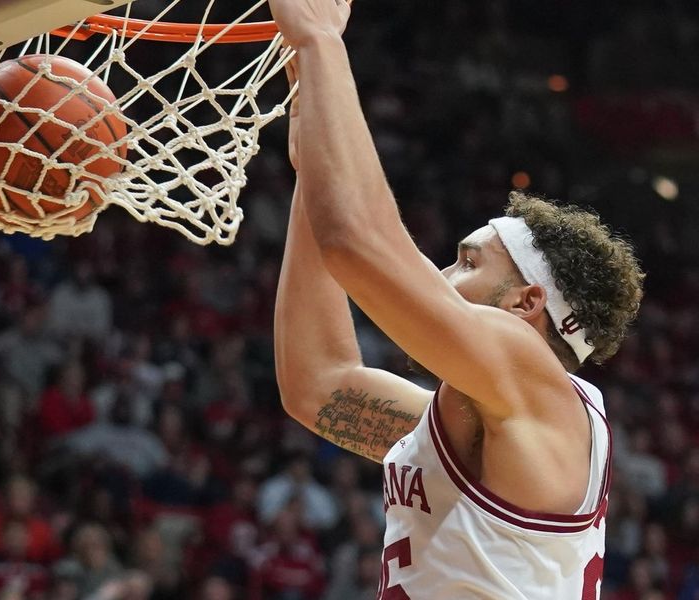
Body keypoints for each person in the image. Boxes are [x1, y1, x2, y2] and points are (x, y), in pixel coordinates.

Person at [268, 0, 645, 597]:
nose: (442, 276)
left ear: (525, 305)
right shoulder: (487, 419)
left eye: (466, 261)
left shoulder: (525, 366)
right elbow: (320, 383)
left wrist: (320, 44)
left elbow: (357, 244)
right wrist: (316, 156)